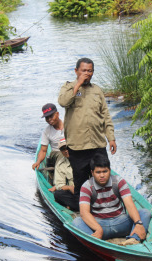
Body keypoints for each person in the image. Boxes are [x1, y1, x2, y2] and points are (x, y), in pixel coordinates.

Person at [58, 57, 117, 200]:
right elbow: (63, 102)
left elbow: (106, 116)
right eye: (83, 70)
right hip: (77, 147)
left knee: (103, 181)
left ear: (93, 72)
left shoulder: (97, 91)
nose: (86, 73)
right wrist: (77, 84)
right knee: (81, 184)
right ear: (76, 71)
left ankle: (106, 207)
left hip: (97, 145)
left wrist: (111, 138)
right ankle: (82, 210)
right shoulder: (68, 87)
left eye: (90, 71)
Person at [72, 154, 151, 246]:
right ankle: (97, 242)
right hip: (99, 224)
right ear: (92, 173)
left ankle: (133, 239)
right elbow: (84, 213)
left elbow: (129, 204)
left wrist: (138, 223)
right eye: (98, 172)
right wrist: (98, 229)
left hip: (121, 222)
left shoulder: (119, 181)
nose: (102, 175)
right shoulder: (87, 186)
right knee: (77, 222)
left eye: (105, 171)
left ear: (109, 171)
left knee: (145, 213)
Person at [48, 138, 79, 212]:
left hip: (87, 191)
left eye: (67, 148)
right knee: (58, 194)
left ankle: (74, 206)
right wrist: (69, 188)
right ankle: (79, 207)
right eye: (63, 149)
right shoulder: (60, 164)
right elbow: (59, 185)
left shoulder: (82, 158)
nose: (65, 151)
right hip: (74, 194)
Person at [32, 103, 64, 170]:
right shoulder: (46, 131)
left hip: (70, 153)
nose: (49, 119)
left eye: (51, 116)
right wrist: (38, 162)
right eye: (47, 117)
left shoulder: (68, 124)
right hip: (56, 154)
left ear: (57, 114)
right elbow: (43, 151)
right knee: (62, 155)